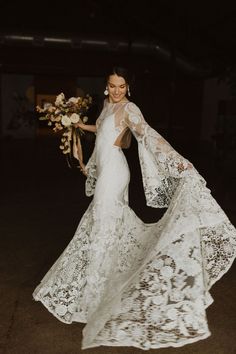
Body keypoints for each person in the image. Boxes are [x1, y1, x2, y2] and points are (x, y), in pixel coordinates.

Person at [33, 66, 236, 350]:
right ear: (106, 86)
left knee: (102, 226)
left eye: (121, 86)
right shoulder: (106, 106)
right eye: (112, 86)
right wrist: (80, 126)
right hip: (106, 171)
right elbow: (103, 131)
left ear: (128, 87)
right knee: (105, 228)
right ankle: (102, 290)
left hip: (115, 173)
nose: (116, 91)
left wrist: (178, 161)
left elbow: (148, 136)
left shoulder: (130, 109)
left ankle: (98, 298)